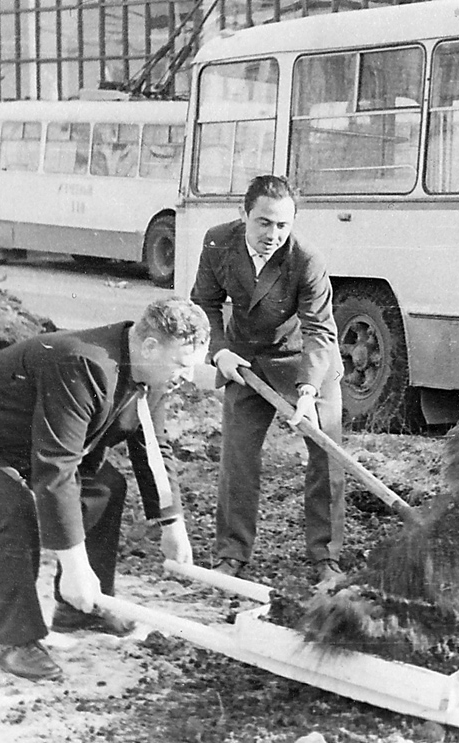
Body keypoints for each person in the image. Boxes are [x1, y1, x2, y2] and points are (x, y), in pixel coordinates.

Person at [0, 297, 210, 681]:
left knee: (105, 485)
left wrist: (171, 523)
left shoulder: (150, 372)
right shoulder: (84, 363)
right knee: (11, 509)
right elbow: (56, 467)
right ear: (150, 347)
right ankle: (17, 643)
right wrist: (75, 565)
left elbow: (154, 446)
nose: (187, 376)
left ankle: (80, 610)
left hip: (23, 440)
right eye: (182, 364)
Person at [190, 174, 346, 585]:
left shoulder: (306, 259)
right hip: (245, 361)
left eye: (282, 225)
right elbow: (203, 302)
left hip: (306, 362)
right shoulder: (218, 242)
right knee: (238, 457)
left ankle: (326, 557)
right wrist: (220, 350)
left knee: (326, 456)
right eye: (263, 223)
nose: (272, 234)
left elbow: (320, 331)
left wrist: (309, 393)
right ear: (244, 216)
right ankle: (231, 553)